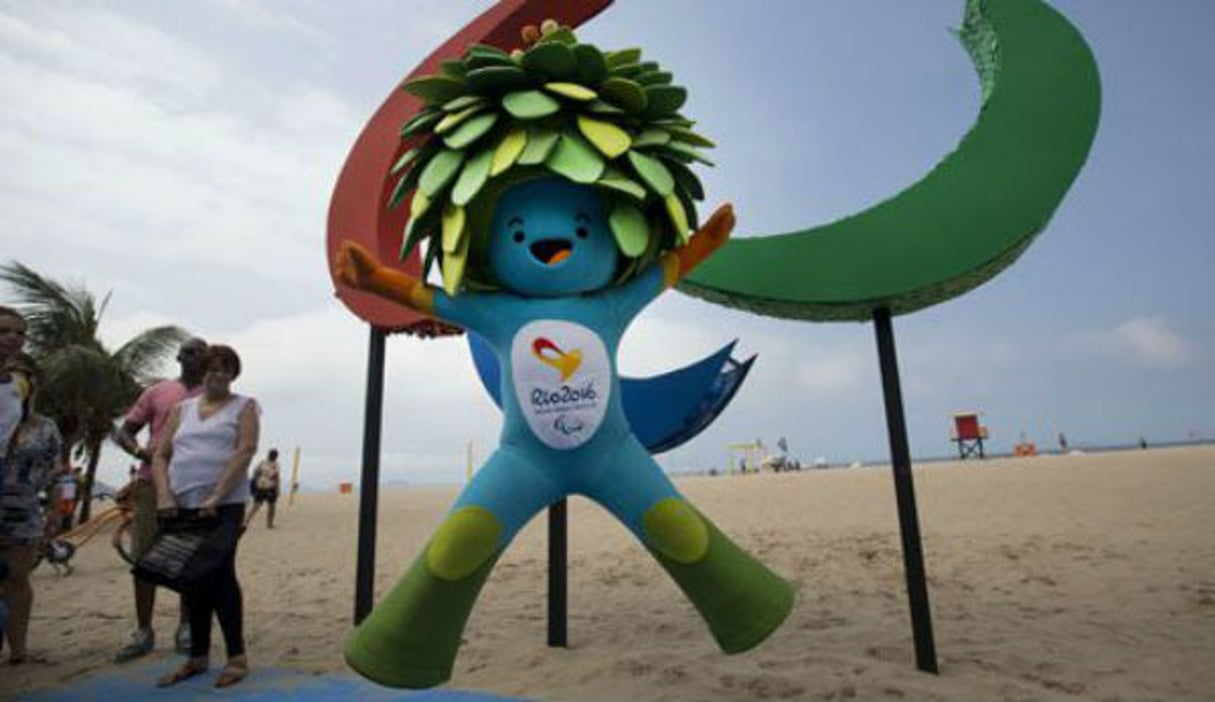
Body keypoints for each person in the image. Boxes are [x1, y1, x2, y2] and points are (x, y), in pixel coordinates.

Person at [151, 344, 259, 688]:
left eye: (227, 368)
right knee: (192, 578)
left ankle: (237, 657)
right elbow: (160, 456)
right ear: (203, 372)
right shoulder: (181, 410)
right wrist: (165, 493)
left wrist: (217, 495)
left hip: (224, 505)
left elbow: (245, 450)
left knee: (221, 575)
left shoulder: (244, 407)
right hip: (181, 504)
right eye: (213, 368)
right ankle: (197, 656)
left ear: (234, 374)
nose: (219, 374)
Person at [110, 336, 207, 662]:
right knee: (144, 559)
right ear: (179, 356)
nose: (196, 357)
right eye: (190, 351)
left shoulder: (214, 396)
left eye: (202, 352)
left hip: (194, 487)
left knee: (189, 559)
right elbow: (125, 431)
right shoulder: (158, 392)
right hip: (151, 484)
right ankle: (143, 630)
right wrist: (140, 451)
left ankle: (186, 627)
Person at [0, 352, 66, 664]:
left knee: (17, 578)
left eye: (23, 376)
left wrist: (55, 511)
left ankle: (18, 649)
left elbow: (58, 471)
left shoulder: (45, 427)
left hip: (23, 507)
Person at [245, 448, 280, 529]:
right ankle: (268, 524)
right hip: (266, 487)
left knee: (265, 506)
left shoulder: (266, 463)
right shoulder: (269, 464)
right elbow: (276, 477)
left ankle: (268, 523)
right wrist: (278, 488)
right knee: (262, 506)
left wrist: (257, 481)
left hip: (265, 487)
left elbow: (255, 473)